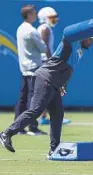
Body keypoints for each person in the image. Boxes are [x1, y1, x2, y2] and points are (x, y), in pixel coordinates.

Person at [0, 15, 93, 156]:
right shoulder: (71, 43)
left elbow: (67, 69)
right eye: (90, 39)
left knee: (57, 115)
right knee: (36, 110)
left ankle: (54, 149)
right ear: (83, 37)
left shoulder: (79, 51)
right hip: (45, 78)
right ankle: (6, 134)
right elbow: (67, 34)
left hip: (55, 83)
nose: (92, 42)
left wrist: (62, 84)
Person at [15, 4, 47, 136]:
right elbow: (43, 48)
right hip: (34, 67)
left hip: (24, 67)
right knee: (33, 99)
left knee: (23, 98)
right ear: (28, 15)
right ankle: (32, 127)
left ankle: (18, 127)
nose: (36, 14)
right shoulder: (32, 31)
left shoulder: (20, 28)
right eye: (34, 13)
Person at [37, 6, 71, 125]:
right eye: (51, 18)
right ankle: (49, 117)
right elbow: (44, 47)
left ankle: (46, 117)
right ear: (44, 18)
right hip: (46, 63)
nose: (54, 20)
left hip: (45, 62)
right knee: (51, 90)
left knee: (50, 92)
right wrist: (52, 61)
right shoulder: (45, 28)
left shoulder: (45, 28)